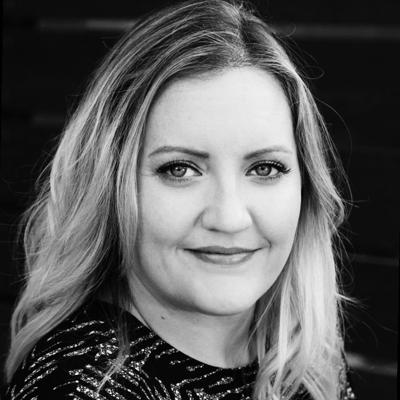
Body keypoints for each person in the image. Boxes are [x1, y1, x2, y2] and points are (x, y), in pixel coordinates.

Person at [4, 0, 357, 399]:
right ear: (110, 187)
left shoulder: (304, 351)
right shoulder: (79, 387)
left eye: (265, 168)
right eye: (180, 169)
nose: (229, 217)